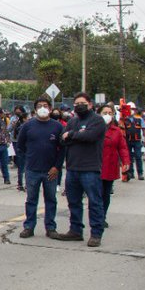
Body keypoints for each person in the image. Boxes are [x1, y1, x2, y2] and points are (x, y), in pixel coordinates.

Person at [50, 93, 107, 247]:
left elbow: (90, 136)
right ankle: (75, 230)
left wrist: (73, 135)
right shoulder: (73, 121)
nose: (79, 106)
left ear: (89, 104)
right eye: (76, 103)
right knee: (73, 202)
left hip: (90, 168)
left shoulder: (97, 120)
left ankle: (96, 233)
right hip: (72, 168)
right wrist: (75, 136)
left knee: (94, 202)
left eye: (82, 103)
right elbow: (62, 139)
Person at [15, 95, 64, 238]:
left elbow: (62, 149)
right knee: (31, 200)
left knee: (51, 200)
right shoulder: (27, 126)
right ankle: (29, 227)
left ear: (50, 108)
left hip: (51, 171)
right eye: (39, 106)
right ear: (35, 109)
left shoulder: (57, 126)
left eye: (45, 106)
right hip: (32, 170)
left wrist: (57, 167)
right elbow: (20, 145)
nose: (43, 108)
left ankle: (50, 227)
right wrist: (28, 159)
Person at [99, 104, 130, 230]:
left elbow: (122, 147)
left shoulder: (116, 131)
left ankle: (102, 217)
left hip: (110, 166)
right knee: (96, 194)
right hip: (95, 165)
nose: (107, 115)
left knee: (106, 194)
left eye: (110, 113)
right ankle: (96, 216)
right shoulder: (94, 129)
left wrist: (126, 161)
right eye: (104, 113)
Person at [123, 108, 145, 181]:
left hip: (137, 141)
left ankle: (140, 173)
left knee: (138, 156)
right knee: (129, 157)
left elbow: (143, 129)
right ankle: (131, 173)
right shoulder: (125, 119)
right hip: (128, 141)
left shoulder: (139, 119)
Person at [9, 106, 28, 192]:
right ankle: (23, 184)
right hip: (21, 145)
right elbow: (9, 129)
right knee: (24, 166)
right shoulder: (24, 126)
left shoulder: (22, 126)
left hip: (21, 146)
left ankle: (21, 183)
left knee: (21, 166)